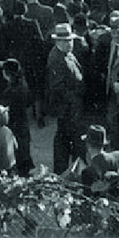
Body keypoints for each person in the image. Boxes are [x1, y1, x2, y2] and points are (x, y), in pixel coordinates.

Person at [46, 23, 85, 173]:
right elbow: (58, 88)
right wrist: (74, 100)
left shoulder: (67, 54)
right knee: (66, 143)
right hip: (68, 110)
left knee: (68, 142)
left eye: (70, 40)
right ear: (57, 42)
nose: (69, 43)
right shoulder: (57, 59)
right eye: (65, 41)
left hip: (72, 109)